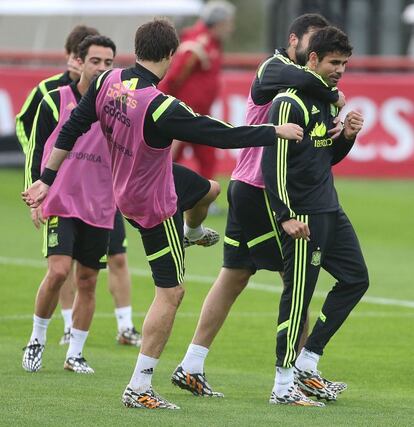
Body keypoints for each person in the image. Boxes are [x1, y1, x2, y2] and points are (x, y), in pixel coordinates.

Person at [22, 19, 303, 410]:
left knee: (209, 188)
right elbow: (221, 133)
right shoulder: (161, 106)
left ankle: (193, 229)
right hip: (153, 202)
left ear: (136, 49)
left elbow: (73, 126)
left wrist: (46, 179)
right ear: (171, 55)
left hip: (134, 184)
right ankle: (139, 386)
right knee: (171, 293)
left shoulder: (109, 81)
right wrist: (274, 130)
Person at [171, 13, 346, 402]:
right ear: (294, 40)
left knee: (233, 276)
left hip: (248, 188)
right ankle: (298, 374)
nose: (317, 55)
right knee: (295, 280)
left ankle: (191, 365)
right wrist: (333, 94)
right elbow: (295, 83)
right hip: (264, 192)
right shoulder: (276, 68)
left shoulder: (308, 83)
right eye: (313, 45)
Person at [261, 26, 368, 406]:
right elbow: (270, 163)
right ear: (312, 60)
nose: (340, 70)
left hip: (329, 209)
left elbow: (324, 157)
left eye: (344, 64)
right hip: (302, 214)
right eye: (334, 62)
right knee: (299, 296)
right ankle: (282, 385)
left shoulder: (326, 103)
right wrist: (285, 215)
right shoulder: (288, 102)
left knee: (356, 279)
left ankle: (309, 360)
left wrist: (347, 138)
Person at [22, 35, 118, 374]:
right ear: (79, 61)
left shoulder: (119, 108)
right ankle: (37, 338)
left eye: (109, 62)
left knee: (88, 279)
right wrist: (34, 193)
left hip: (100, 204)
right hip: (61, 200)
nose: (103, 68)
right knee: (59, 271)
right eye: (96, 61)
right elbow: (36, 151)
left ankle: (75, 353)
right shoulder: (54, 99)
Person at [159, 1, 235, 187]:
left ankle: (205, 198)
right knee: (167, 158)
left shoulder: (213, 43)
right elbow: (173, 77)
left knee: (207, 157)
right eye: (229, 22)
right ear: (219, 23)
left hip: (199, 115)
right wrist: (162, 106)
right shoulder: (196, 44)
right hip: (182, 115)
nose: (231, 27)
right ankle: (158, 193)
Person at [58, 209, 142, 348]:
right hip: (70, 199)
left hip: (105, 201)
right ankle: (69, 327)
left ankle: (125, 327)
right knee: (65, 261)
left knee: (118, 257)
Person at [16, 25, 99, 154]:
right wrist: (32, 153)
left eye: (88, 58)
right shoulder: (46, 88)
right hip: (55, 165)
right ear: (67, 54)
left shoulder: (105, 90)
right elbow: (23, 121)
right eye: (77, 57)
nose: (80, 62)